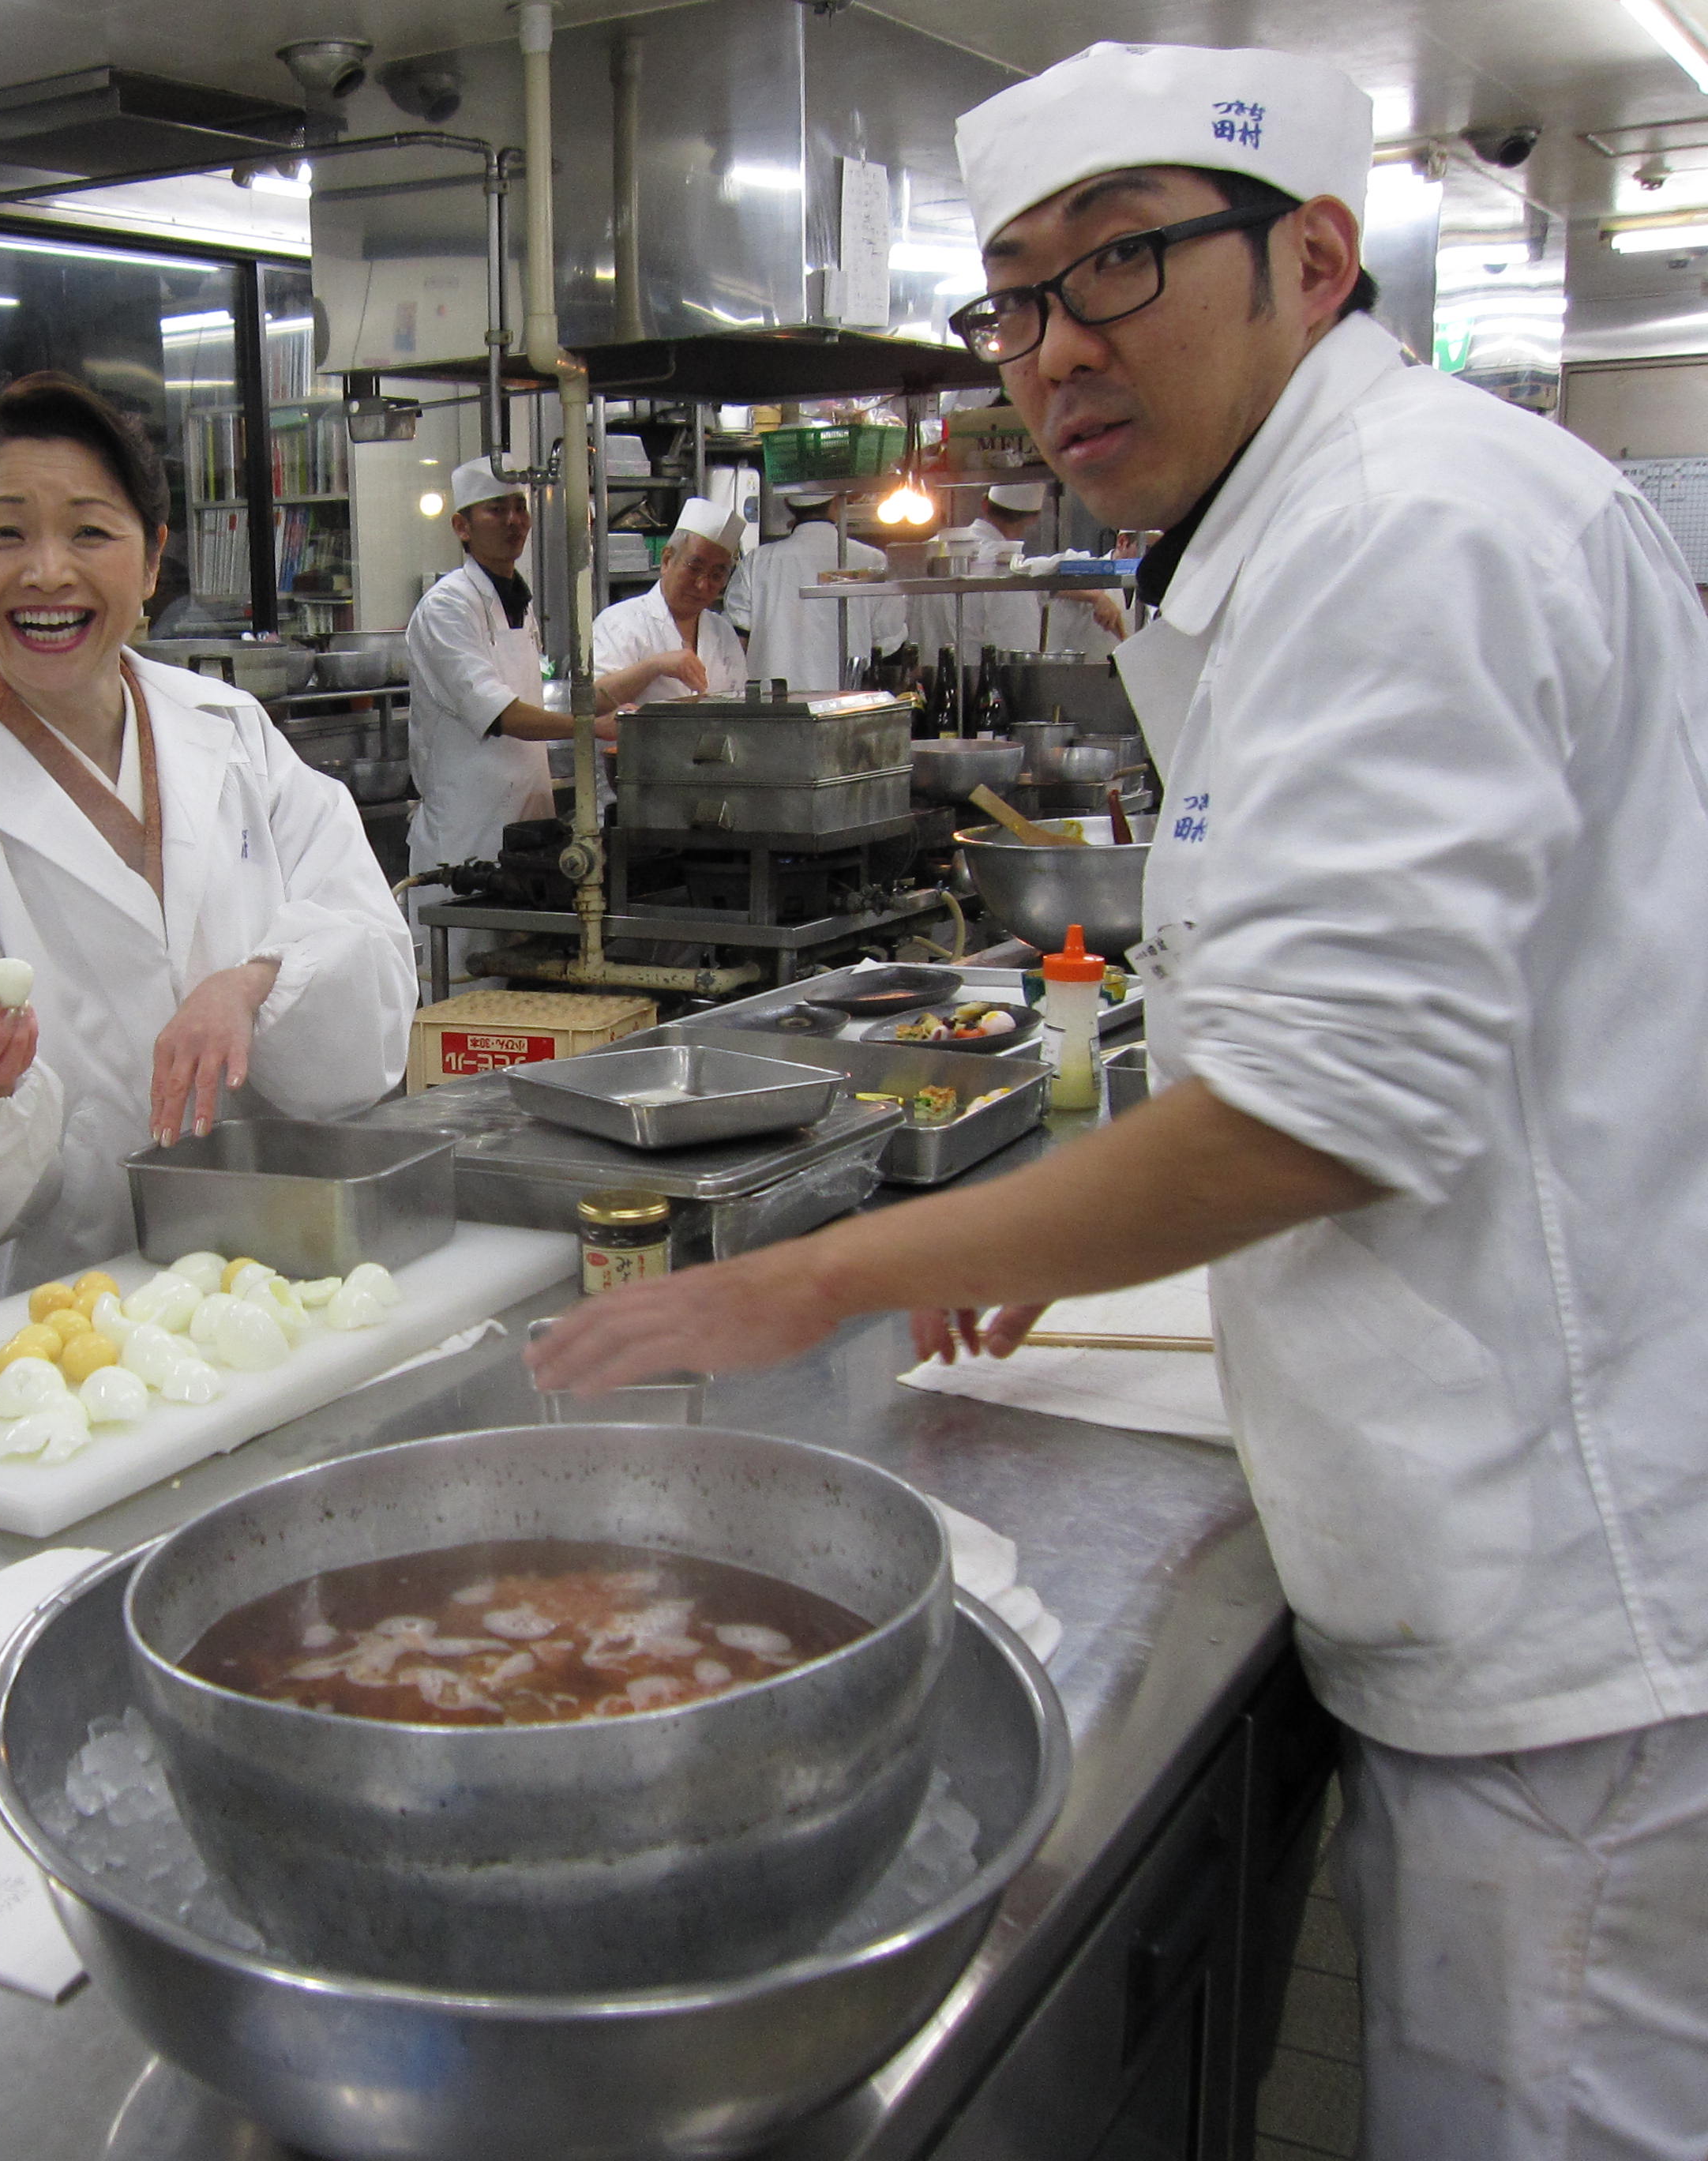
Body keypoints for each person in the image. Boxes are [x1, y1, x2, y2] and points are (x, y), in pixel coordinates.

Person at [531, 42, 1708, 2160]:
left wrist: (820, 1280)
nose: (1058, 347)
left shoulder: (1409, 533)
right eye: (1016, 298)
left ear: (1315, 258)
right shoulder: (1324, 528)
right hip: (1524, 1522)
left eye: (1124, 266)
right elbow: (1340, 1043)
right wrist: (1047, 1239)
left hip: (1574, 1600)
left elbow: (1318, 1112)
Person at [0, 372, 415, 1321]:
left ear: (151, 564)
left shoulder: (230, 734)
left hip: (275, 1288)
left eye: (91, 532)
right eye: (5, 532)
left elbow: (377, 997)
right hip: (58, 1336)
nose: (48, 573)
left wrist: (257, 980)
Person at [404, 458, 687, 890]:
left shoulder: (518, 601)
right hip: (467, 829)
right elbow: (500, 713)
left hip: (528, 818)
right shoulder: (448, 606)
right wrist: (591, 728)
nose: (514, 521)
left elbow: (550, 695)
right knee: (464, 952)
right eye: (496, 510)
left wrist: (645, 675)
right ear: (462, 526)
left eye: (520, 508)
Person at [904, 480, 1125, 663]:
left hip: (926, 686)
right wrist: (1097, 596)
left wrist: (1095, 596)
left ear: (984, 504)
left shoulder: (928, 551)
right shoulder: (1009, 569)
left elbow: (1049, 578)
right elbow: (1017, 645)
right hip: (984, 686)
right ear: (1034, 518)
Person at [724, 487, 904, 692]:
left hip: (773, 706)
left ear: (787, 504)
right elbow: (889, 642)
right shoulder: (873, 561)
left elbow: (736, 642)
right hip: (846, 703)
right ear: (837, 503)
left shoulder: (757, 562)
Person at [590, 498, 751, 705]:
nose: (702, 584)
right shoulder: (619, 623)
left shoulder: (722, 631)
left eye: (716, 575)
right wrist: (655, 667)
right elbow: (592, 702)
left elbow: (739, 702)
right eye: (694, 568)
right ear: (667, 560)